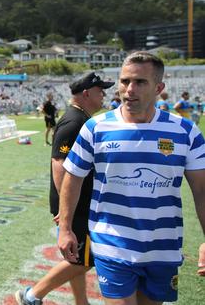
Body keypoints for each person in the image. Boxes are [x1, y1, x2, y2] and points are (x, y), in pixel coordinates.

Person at [58, 52, 205, 305]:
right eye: (124, 81)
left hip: (163, 246)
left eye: (140, 82)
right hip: (111, 243)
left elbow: (202, 191)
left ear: (159, 88)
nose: (129, 89)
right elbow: (73, 177)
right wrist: (65, 229)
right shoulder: (96, 127)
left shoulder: (185, 131)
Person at [15, 72, 114, 305]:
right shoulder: (74, 122)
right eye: (100, 91)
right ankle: (32, 295)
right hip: (76, 204)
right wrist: (65, 205)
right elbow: (59, 164)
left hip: (76, 201)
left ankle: (81, 302)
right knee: (85, 258)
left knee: (76, 254)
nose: (104, 95)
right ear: (86, 93)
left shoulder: (80, 119)